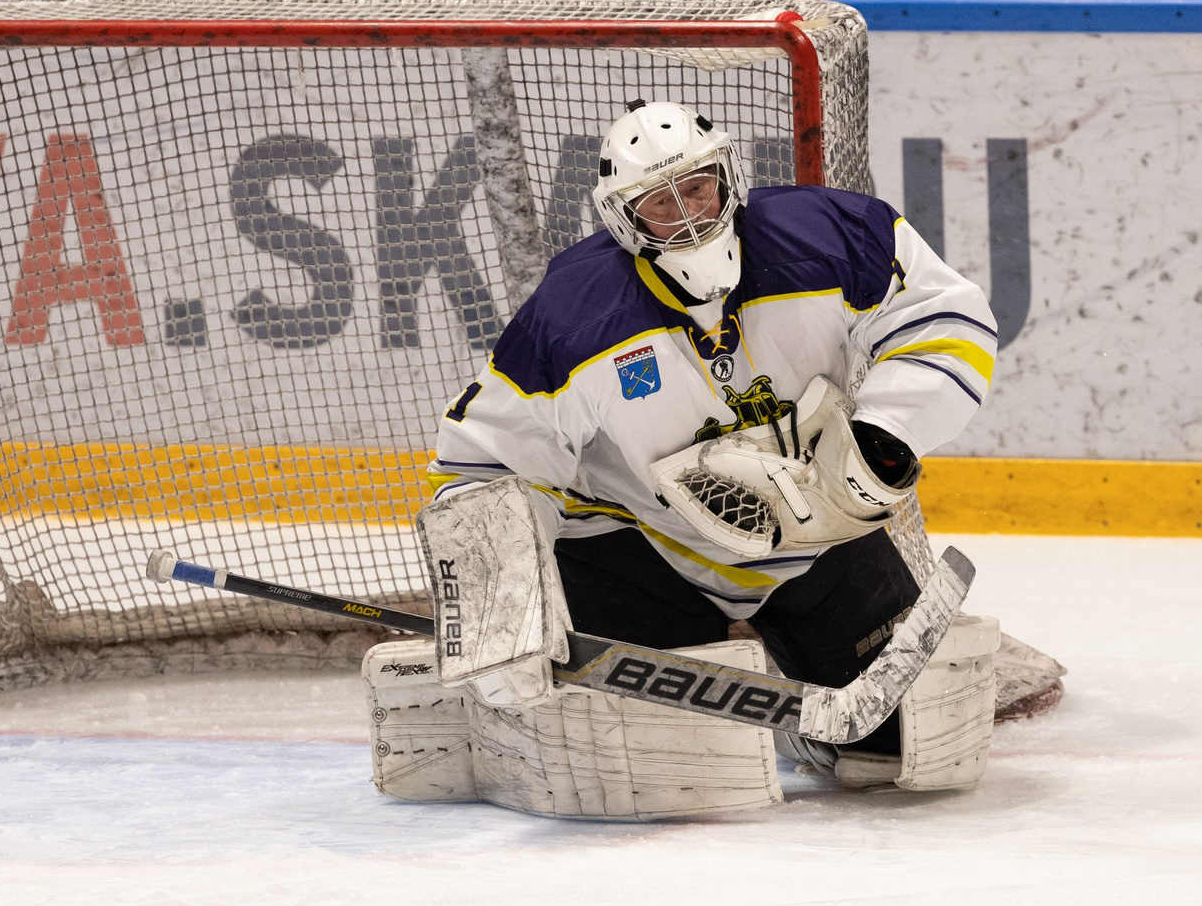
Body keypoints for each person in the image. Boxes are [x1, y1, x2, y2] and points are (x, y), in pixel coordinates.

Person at [417, 100, 1001, 808]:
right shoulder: (573, 314)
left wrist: (888, 427)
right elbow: (485, 462)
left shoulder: (829, 234)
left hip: (814, 531)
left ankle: (798, 729)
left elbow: (945, 315)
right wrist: (499, 610)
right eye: (660, 203)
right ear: (624, 219)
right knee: (665, 773)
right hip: (637, 550)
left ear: (727, 177)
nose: (689, 215)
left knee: (907, 746)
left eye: (697, 188)